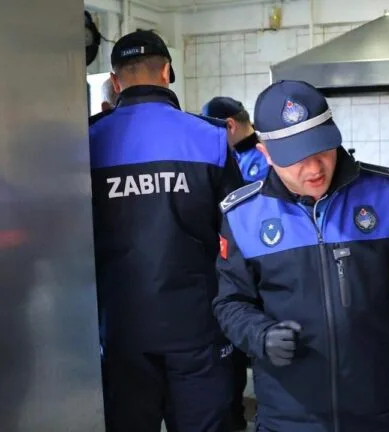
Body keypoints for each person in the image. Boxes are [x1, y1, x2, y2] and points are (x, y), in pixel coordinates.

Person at [213, 80, 389, 432]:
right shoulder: (243, 216)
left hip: (376, 412)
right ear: (265, 153)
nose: (314, 169)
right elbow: (229, 303)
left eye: (322, 149)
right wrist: (259, 334)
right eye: (296, 157)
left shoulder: (388, 197)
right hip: (288, 417)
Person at [89, 29, 244, 432]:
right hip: (199, 329)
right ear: (167, 72)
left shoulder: (86, 141)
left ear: (116, 79)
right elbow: (239, 236)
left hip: (120, 331)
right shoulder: (210, 138)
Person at [200, 96, 270, 430]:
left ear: (229, 125)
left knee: (241, 355)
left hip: (254, 273)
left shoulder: (259, 159)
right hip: (235, 272)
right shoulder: (238, 155)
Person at [202, 97, 268, 185]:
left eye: (210, 131)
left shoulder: (268, 157)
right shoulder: (232, 154)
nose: (208, 139)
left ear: (230, 126)